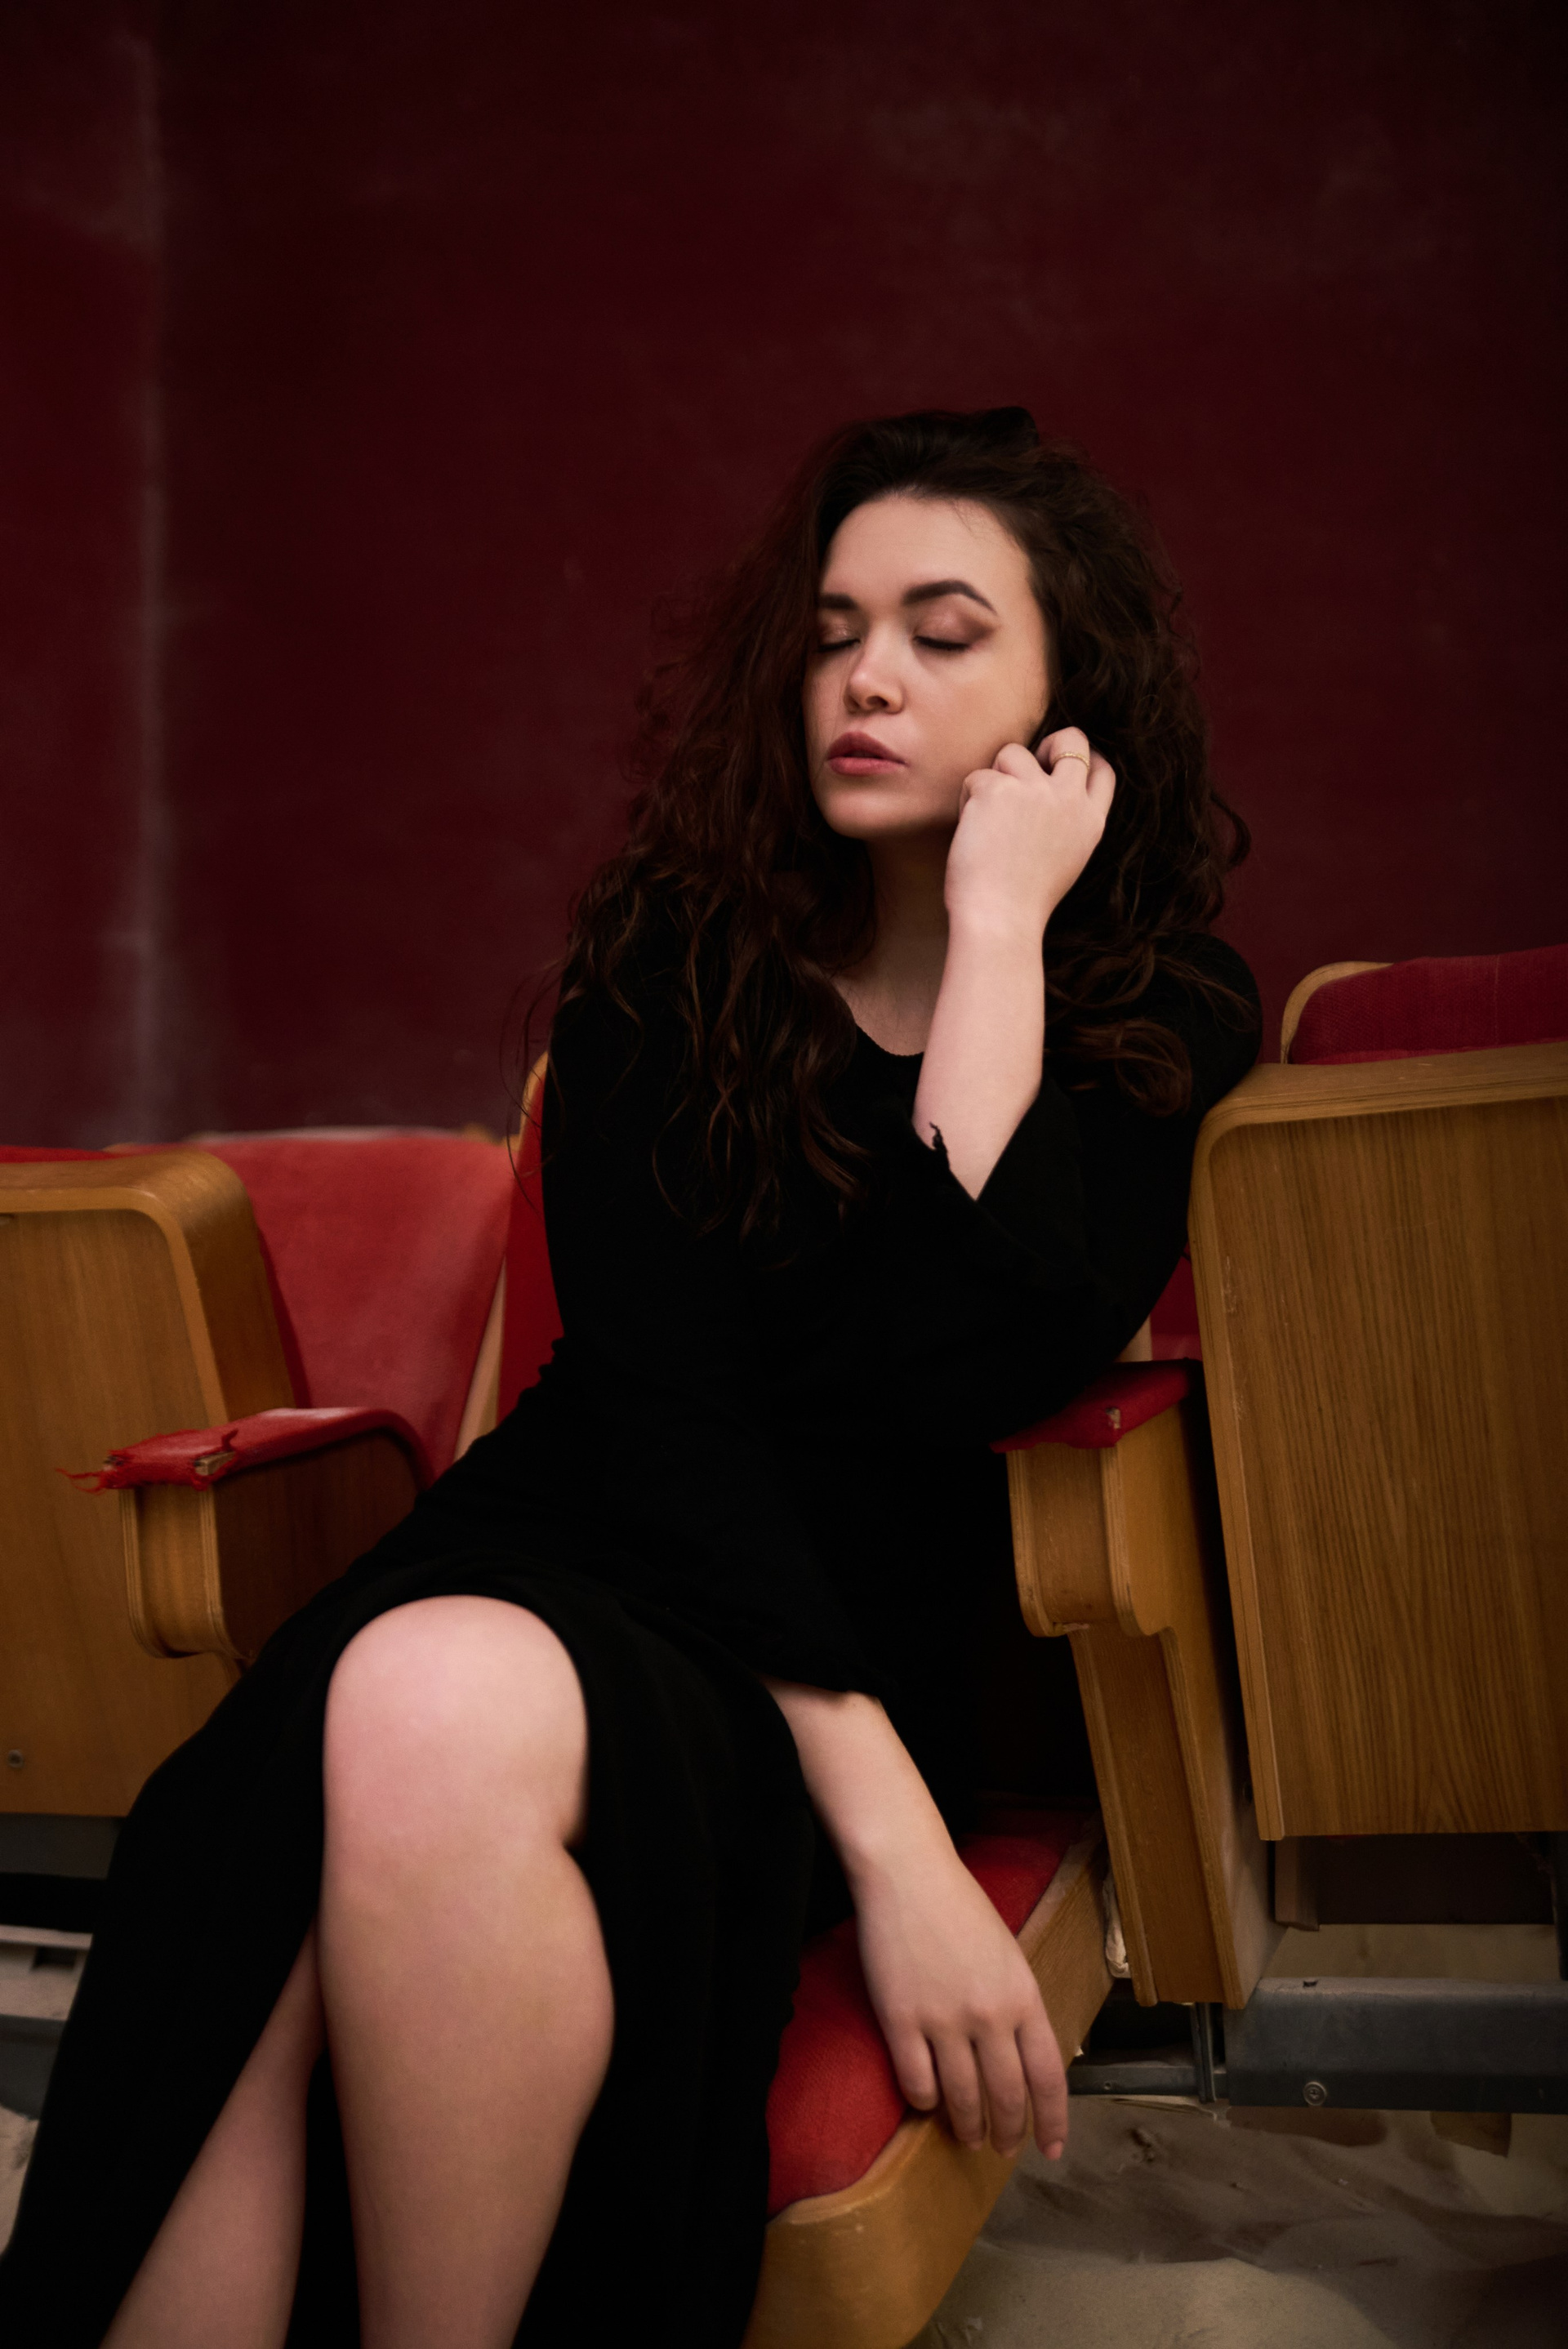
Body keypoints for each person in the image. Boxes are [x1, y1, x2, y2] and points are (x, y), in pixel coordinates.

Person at [0, 406, 1258, 2349]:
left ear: (1067, 697)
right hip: (586, 1527)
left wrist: (997, 924)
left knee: (417, 1711)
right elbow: (666, 1409)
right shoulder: (672, 955)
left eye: (942, 634)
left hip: (827, 1633)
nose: (866, 677)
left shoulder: (1159, 1010)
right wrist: (893, 1843)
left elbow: (973, 1345)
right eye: (834, 632)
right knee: (324, 1775)